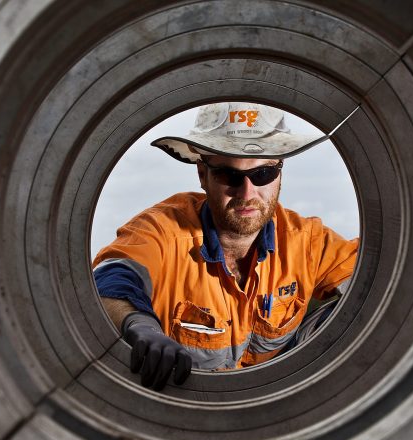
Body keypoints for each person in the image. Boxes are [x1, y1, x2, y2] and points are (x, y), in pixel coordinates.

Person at [93, 102, 358, 391]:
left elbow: (384, 276)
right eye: (229, 175)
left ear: (280, 173)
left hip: (284, 398)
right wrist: (139, 325)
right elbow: (110, 279)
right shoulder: (162, 231)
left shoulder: (306, 241)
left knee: (356, 310)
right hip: (187, 406)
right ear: (203, 175)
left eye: (263, 175)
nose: (247, 192)